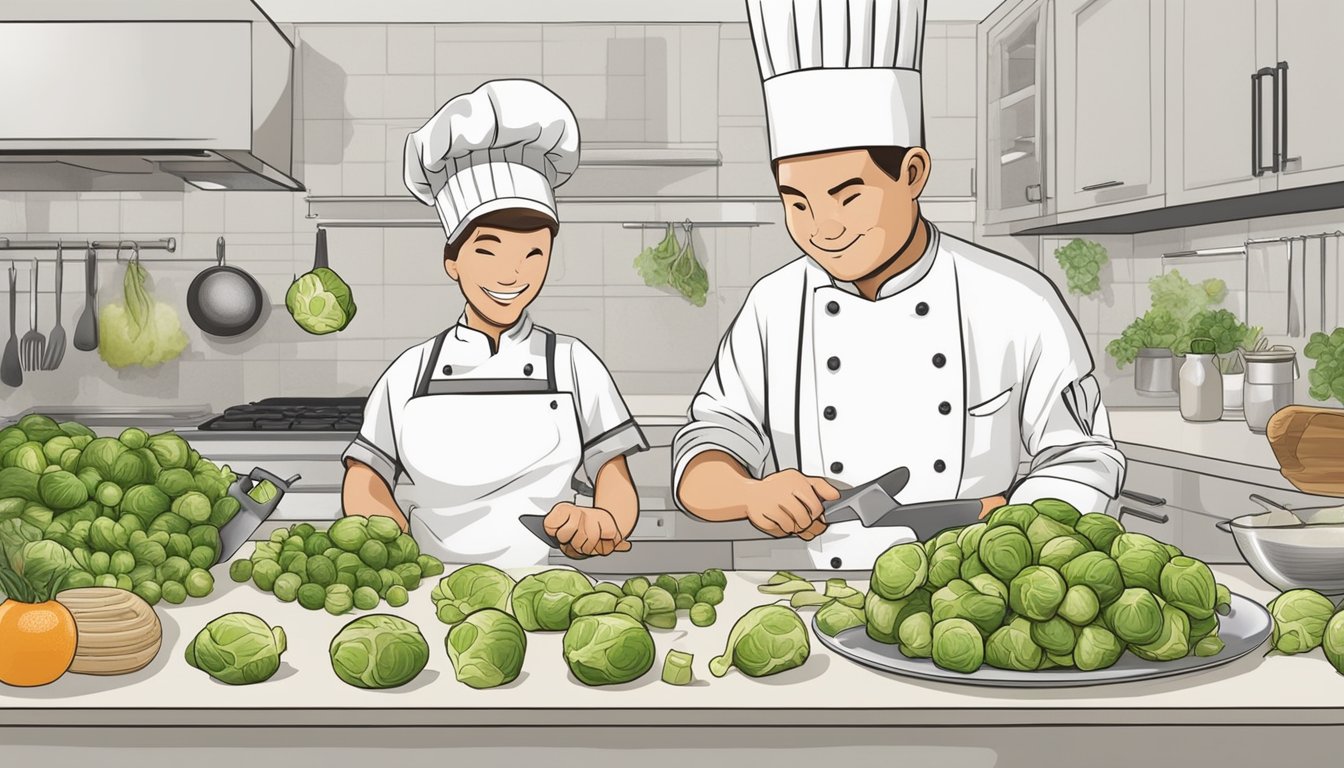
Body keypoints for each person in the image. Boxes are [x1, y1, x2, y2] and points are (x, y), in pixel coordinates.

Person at [673, 0, 1126, 570]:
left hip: (975, 598)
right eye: (797, 202)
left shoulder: (1018, 301)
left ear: (912, 174)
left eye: (848, 195)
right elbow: (706, 447)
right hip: (822, 600)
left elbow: (1083, 459)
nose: (823, 229)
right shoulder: (774, 306)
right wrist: (749, 492)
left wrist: (1011, 521)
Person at [341, 79, 648, 568]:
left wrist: (604, 520)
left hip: (551, 593)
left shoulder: (573, 364)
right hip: (427, 593)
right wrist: (394, 550)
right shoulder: (410, 371)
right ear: (453, 260)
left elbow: (615, 479)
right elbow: (367, 478)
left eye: (534, 253)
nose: (513, 273)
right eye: (488, 251)